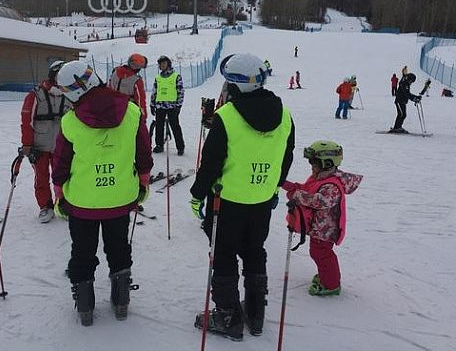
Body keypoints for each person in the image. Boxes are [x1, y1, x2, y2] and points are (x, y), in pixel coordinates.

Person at [191, 53, 295, 340]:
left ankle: (228, 316)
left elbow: (211, 162)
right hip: (261, 200)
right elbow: (287, 156)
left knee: (223, 254)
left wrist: (197, 194)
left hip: (227, 201)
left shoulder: (227, 116)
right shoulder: (284, 114)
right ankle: (255, 312)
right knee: (254, 250)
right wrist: (274, 187)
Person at [52, 61, 153, 326]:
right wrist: (142, 182)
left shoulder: (71, 121)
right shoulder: (131, 111)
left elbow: (61, 162)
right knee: (118, 246)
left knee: (83, 251)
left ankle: (85, 307)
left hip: (82, 202)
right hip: (119, 198)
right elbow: (143, 152)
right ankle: (121, 300)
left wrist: (60, 193)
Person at [282, 141, 362, 296]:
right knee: (318, 253)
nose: (311, 165)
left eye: (314, 162)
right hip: (319, 228)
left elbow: (319, 201)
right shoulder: (319, 178)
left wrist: (296, 195)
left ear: (327, 163)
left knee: (321, 254)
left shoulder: (331, 185)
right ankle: (327, 275)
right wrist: (286, 185)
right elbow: (305, 189)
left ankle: (331, 284)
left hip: (326, 230)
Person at [21, 60, 69, 223]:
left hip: (62, 146)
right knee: (41, 177)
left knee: (62, 176)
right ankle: (45, 206)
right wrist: (27, 145)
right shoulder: (35, 95)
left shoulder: (70, 94)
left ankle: (61, 204)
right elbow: (26, 121)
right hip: (39, 146)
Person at [150, 55, 185, 155]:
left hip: (172, 107)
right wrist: (152, 104)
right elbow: (154, 91)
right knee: (159, 126)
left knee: (175, 126)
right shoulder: (158, 78)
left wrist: (179, 105)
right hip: (160, 106)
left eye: (164, 63)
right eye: (160, 64)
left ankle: (180, 147)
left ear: (168, 64)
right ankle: (159, 145)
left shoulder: (176, 76)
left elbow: (180, 91)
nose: (162, 65)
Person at [108, 53, 148, 118]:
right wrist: (143, 116)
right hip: (128, 111)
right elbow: (141, 101)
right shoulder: (136, 80)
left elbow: (109, 87)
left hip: (112, 107)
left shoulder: (115, 72)